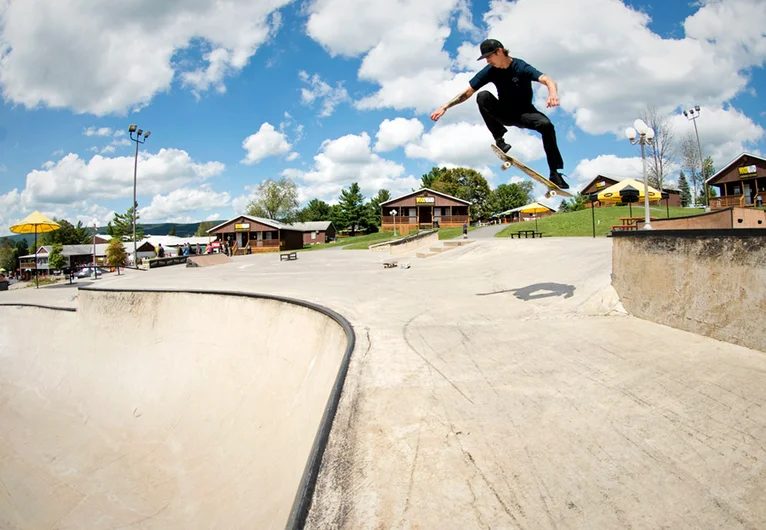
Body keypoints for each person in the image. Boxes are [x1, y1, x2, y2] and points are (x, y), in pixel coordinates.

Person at [430, 38, 569, 189]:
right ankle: (499, 140)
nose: (488, 61)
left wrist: (553, 93)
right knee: (482, 96)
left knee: (546, 125)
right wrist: (445, 106)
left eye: (489, 56)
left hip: (525, 113)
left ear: (500, 51)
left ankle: (554, 173)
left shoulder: (521, 66)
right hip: (504, 112)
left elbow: (547, 80)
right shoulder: (490, 71)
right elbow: (467, 92)